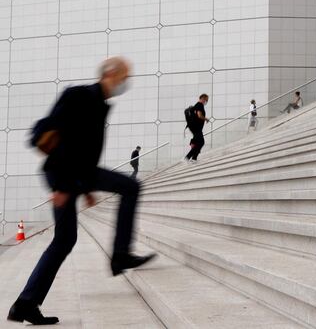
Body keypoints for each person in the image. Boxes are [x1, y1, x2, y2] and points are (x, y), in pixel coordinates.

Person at [7, 57, 155, 326]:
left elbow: (83, 149)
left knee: (64, 241)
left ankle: (25, 305)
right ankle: (120, 255)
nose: (126, 83)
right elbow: (56, 134)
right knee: (130, 186)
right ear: (111, 74)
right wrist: (63, 186)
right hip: (64, 176)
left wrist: (84, 189)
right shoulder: (80, 95)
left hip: (78, 177)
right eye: (125, 77)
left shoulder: (99, 104)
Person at [184, 94, 208, 162]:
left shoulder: (196, 105)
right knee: (201, 142)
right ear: (203, 98)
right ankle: (188, 157)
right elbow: (199, 115)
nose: (206, 101)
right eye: (206, 100)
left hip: (195, 127)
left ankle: (194, 158)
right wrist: (206, 119)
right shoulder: (199, 105)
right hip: (196, 127)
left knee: (199, 142)